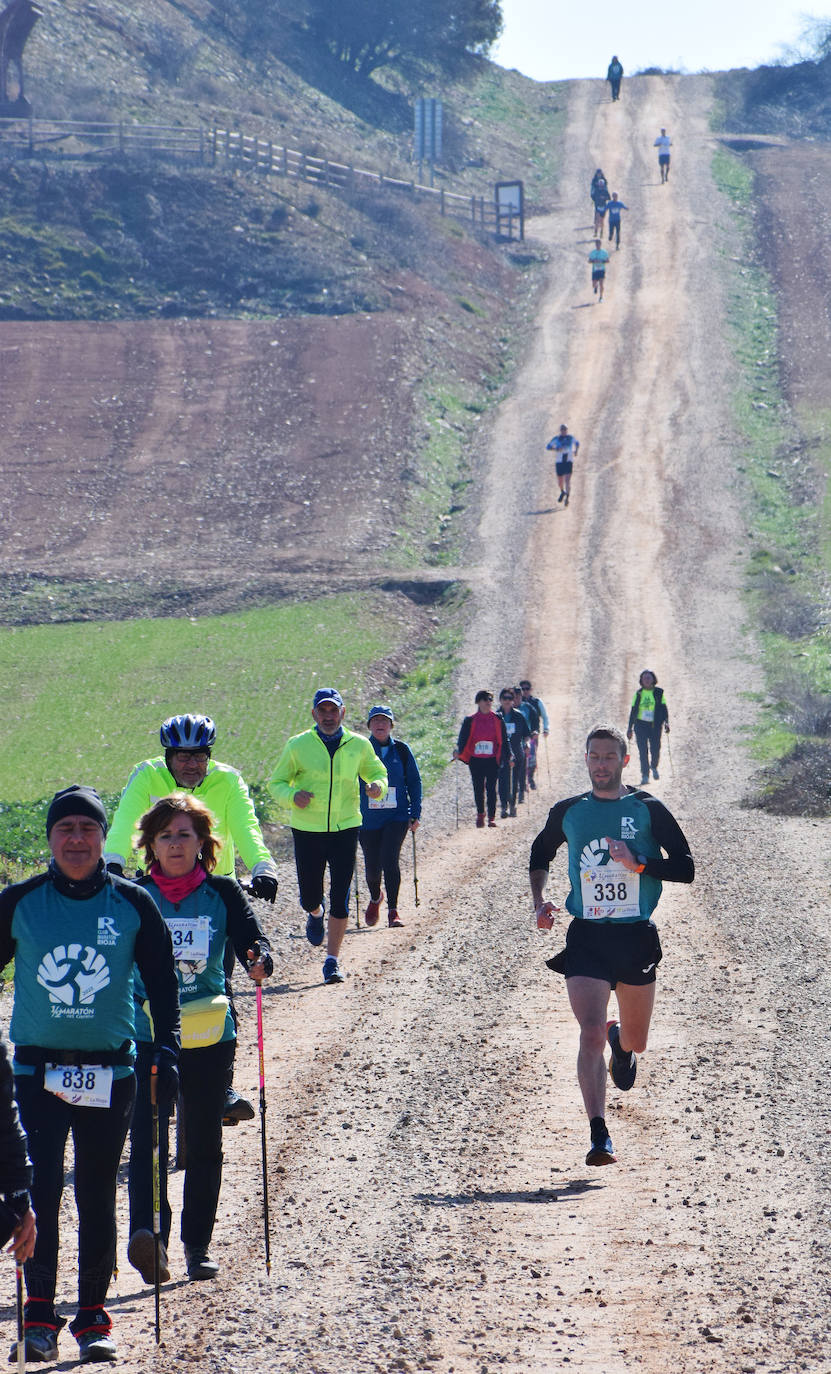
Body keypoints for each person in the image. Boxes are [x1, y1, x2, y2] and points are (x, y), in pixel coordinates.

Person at [0, 785, 179, 1364]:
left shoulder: (133, 903)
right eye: (65, 829)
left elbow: (162, 983)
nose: (76, 839)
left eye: (87, 828)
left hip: (112, 1072)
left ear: (104, 837)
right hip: (36, 1073)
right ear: (50, 838)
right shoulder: (20, 901)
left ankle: (93, 1316)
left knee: (99, 1190)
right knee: (40, 1192)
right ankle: (39, 1316)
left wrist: (167, 1051)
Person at [529, 727, 694, 1168]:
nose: (601, 764)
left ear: (624, 761)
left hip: (635, 935)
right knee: (589, 1031)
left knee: (636, 1040)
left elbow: (686, 867)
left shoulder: (647, 808)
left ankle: (623, 1045)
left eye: (609, 757)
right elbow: (538, 854)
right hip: (587, 936)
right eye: (594, 757)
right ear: (585, 760)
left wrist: (638, 862)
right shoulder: (569, 811)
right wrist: (540, 901)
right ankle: (599, 1133)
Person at [126, 794, 272, 1285]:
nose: (174, 843)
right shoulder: (132, 895)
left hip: (209, 1033)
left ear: (202, 842)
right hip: (147, 1035)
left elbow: (253, 940)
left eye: (183, 834)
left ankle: (197, 1246)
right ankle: (155, 1241)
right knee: (148, 1142)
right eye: (165, 835)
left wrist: (259, 960)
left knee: (204, 1143)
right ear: (150, 843)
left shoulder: (224, 893)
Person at [105, 713, 278, 1125]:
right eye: (182, 756)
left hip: (214, 893)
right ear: (168, 756)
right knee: (141, 986)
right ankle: (134, 1070)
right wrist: (112, 862)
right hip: (157, 892)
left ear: (209, 756)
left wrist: (262, 864)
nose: (190, 764)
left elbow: (246, 825)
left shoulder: (228, 780)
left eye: (199, 756)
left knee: (218, 984)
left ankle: (220, 1087)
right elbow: (125, 820)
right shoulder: (146, 776)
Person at [269, 688, 387, 985]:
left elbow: (378, 772)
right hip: (307, 829)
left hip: (345, 828)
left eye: (333, 710)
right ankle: (315, 911)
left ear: (343, 713)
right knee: (309, 895)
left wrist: (376, 786)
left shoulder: (358, 744)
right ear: (314, 714)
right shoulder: (298, 745)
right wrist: (293, 795)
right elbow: (276, 783)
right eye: (323, 711)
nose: (328, 716)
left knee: (341, 895)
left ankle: (331, 961)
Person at [358, 706, 422, 930]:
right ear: (369, 726)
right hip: (367, 819)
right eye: (375, 720)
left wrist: (415, 813)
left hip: (396, 816)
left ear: (391, 725)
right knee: (372, 867)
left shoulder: (402, 751)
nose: (380, 724)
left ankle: (393, 911)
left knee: (389, 859)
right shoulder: (359, 751)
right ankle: (376, 897)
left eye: (384, 720)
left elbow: (414, 781)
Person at [453, 691, 510, 828]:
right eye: (485, 699)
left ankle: (491, 818)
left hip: (492, 759)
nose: (488, 702)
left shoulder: (497, 719)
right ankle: (480, 815)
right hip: (475, 759)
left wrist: (509, 755)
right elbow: (462, 738)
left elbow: (504, 739)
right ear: (478, 702)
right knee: (478, 788)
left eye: (490, 699)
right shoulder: (470, 720)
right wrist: (458, 750)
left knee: (491, 788)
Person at [627, 670, 670, 784]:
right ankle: (645, 775)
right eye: (644, 678)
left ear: (653, 680)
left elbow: (664, 708)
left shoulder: (659, 693)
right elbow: (633, 711)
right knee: (643, 751)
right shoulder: (638, 694)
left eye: (648, 678)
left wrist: (666, 722)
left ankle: (654, 766)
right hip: (640, 726)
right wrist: (629, 728)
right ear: (641, 680)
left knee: (655, 748)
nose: (646, 680)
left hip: (655, 726)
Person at [496, 689, 530, 818]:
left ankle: (512, 805)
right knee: (503, 780)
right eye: (504, 698)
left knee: (514, 780)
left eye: (510, 698)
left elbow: (526, 734)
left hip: (516, 752)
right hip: (501, 753)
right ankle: (503, 806)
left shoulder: (519, 716)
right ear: (500, 700)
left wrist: (526, 744)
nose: (507, 701)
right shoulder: (496, 716)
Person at [518, 680, 549, 790]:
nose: (525, 691)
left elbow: (544, 716)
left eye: (527, 689)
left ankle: (530, 778)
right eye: (523, 689)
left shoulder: (536, 702)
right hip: (519, 736)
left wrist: (546, 729)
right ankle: (522, 781)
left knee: (531, 757)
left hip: (532, 735)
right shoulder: (516, 703)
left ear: (531, 690)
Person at [545, 424, 580, 506]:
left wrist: (576, 451)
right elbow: (548, 447)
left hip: (568, 461)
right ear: (560, 431)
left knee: (567, 481)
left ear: (567, 430)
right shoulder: (556, 439)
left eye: (565, 430)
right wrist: (556, 449)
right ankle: (562, 492)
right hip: (559, 462)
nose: (564, 431)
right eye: (562, 430)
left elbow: (577, 443)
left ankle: (567, 498)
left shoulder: (570, 438)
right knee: (560, 481)